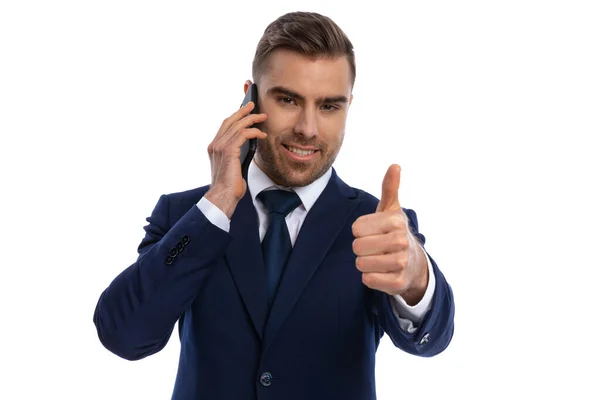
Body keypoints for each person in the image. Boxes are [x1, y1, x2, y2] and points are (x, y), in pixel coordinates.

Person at [93, 11, 455, 400]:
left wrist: (418, 277)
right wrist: (216, 204)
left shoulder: (377, 225)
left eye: (330, 106)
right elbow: (124, 335)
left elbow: (430, 341)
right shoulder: (186, 217)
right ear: (250, 98)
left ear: (349, 105)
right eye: (287, 99)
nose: (308, 128)